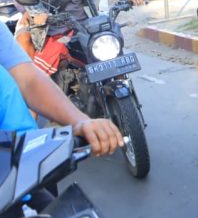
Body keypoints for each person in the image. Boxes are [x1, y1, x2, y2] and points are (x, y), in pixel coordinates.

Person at [0, 19, 123, 215]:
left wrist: (80, 120)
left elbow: (27, 77)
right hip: (48, 31)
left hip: (22, 169)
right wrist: (40, 16)